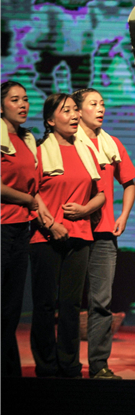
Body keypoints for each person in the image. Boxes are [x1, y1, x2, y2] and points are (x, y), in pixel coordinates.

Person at [29, 93, 105, 378]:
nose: (74, 115)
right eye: (66, 111)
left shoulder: (86, 150)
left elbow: (100, 195)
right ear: (50, 120)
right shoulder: (39, 151)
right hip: (46, 237)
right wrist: (50, 225)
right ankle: (46, 365)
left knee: (71, 305)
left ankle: (70, 364)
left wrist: (85, 209)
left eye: (75, 110)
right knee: (45, 304)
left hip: (80, 235)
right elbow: (31, 193)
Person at [71, 88, 135, 380]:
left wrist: (123, 215)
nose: (100, 109)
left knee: (101, 302)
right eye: (93, 104)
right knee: (69, 301)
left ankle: (99, 363)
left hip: (104, 234)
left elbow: (130, 181)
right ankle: (66, 363)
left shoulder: (112, 143)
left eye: (102, 103)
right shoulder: (68, 142)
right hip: (73, 230)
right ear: (77, 110)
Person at [1, 81, 44, 377]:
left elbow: (34, 185)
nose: (23, 105)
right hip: (1, 226)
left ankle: (9, 373)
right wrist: (28, 200)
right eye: (15, 99)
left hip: (20, 228)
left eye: (25, 99)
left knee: (11, 306)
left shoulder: (27, 139)